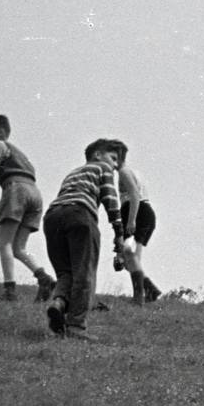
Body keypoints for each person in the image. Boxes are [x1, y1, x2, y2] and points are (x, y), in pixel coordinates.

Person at [41, 139, 129, 341]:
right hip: (80, 215)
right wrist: (119, 232)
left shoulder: (74, 173)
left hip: (53, 216)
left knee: (66, 271)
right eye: (113, 158)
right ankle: (76, 327)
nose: (115, 165)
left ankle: (58, 303)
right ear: (97, 154)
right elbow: (111, 199)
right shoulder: (102, 168)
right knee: (84, 272)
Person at [0, 115, 58, 302]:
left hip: (16, 189)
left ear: (0, 132)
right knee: (18, 247)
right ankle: (43, 278)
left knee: (3, 243)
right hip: (34, 194)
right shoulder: (20, 153)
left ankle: (10, 290)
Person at [112, 142, 161, 304]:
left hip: (136, 212)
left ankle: (140, 295)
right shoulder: (134, 171)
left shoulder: (124, 172)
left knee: (128, 252)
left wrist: (131, 220)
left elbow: (134, 195)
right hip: (144, 212)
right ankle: (149, 290)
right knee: (132, 258)